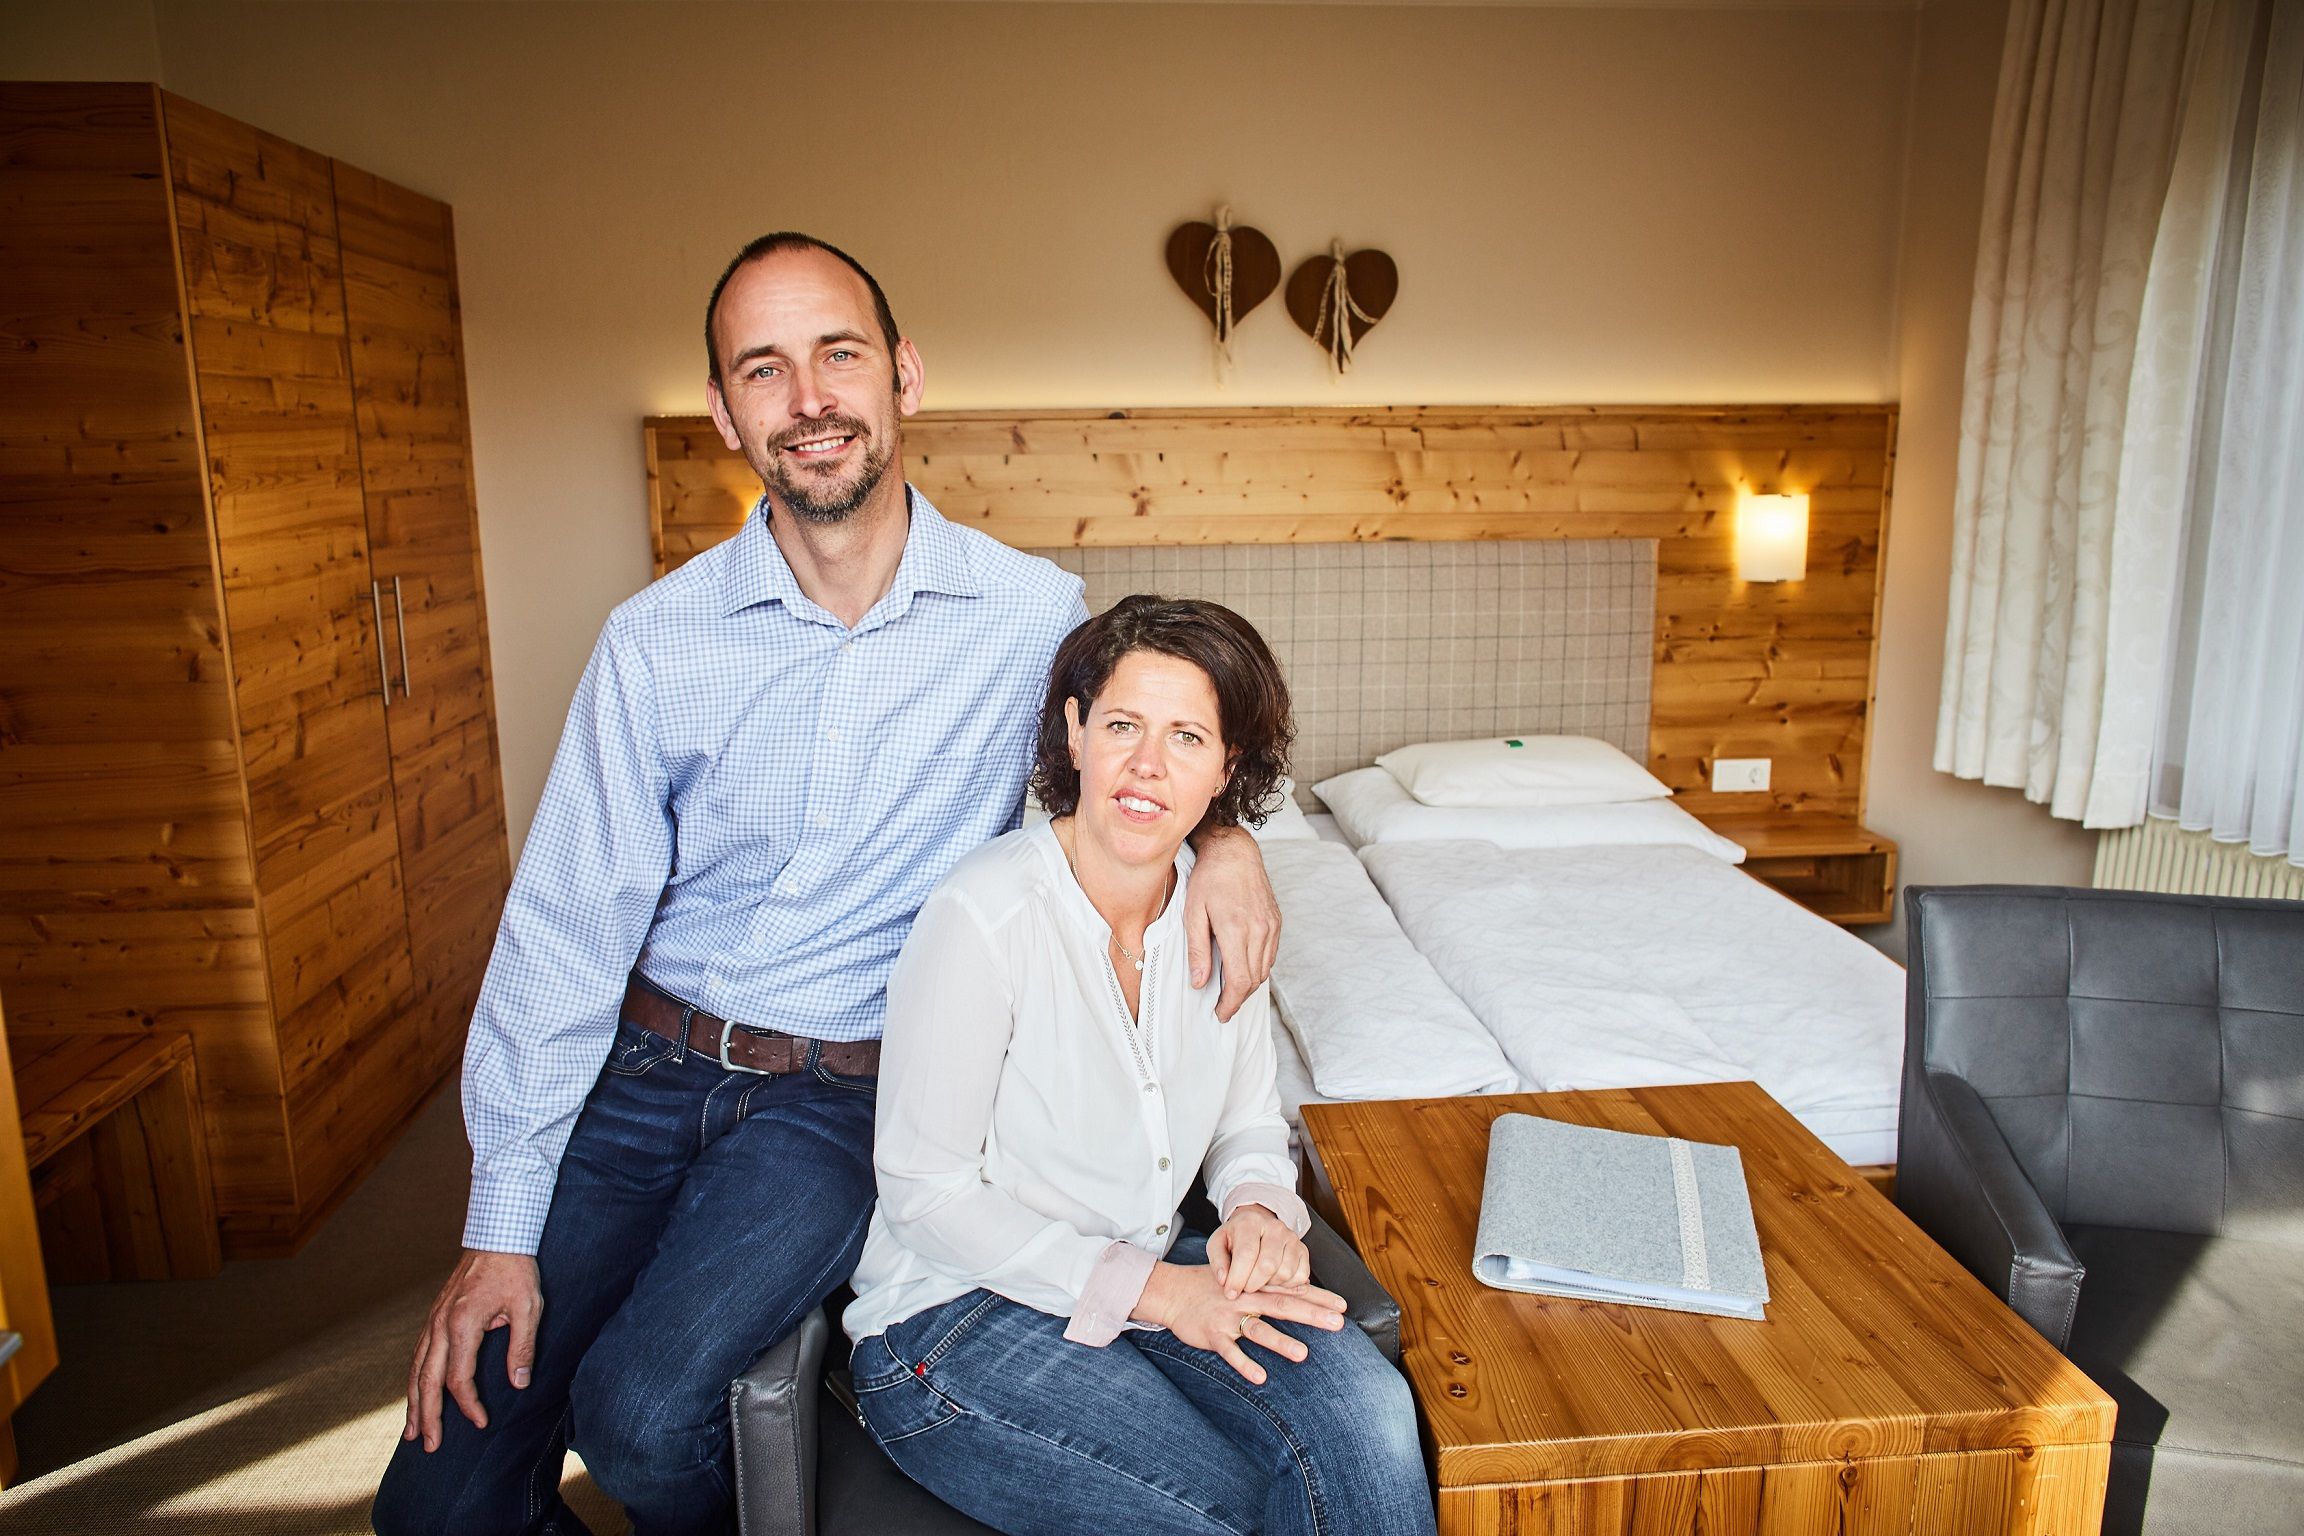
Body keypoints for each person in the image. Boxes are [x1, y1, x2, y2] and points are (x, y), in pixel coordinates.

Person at [372, 235, 1281, 1536]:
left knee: (638, 1422)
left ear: (902, 376)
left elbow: (1175, 740)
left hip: (835, 1104)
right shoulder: (656, 643)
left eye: (839, 354)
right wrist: (497, 1229)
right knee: (434, 1507)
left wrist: (1230, 842)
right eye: (765, 368)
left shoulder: (1031, 617)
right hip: (638, 1075)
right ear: (727, 413)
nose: (809, 397)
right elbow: (564, 932)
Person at [844, 596, 1436, 1536]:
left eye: (1188, 738)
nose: (1147, 766)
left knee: (1371, 1424)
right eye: (1122, 725)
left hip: (1151, 1274)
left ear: (1226, 769)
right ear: (1075, 731)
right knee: (1230, 1508)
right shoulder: (982, 919)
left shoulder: (1221, 915)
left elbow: (1248, 1123)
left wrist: (1253, 1208)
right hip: (955, 1323)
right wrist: (1167, 1295)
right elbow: (925, 1193)